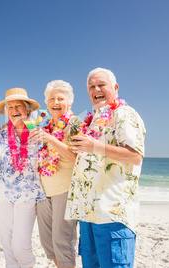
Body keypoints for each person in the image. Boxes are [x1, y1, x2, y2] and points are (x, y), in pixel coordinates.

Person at [66, 68, 146, 268]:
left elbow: (135, 156)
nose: (96, 89)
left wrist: (94, 146)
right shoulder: (90, 120)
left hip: (112, 213)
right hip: (88, 213)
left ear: (115, 88)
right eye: (91, 86)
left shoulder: (124, 114)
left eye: (101, 84)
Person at [0, 88, 46, 268]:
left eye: (18, 106)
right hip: (1, 194)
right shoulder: (1, 136)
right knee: (8, 246)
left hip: (27, 194)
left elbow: (47, 160)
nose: (14, 110)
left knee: (20, 246)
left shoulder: (38, 134)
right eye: (10, 107)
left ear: (27, 110)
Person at [30, 80, 78, 268]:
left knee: (62, 242)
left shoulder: (74, 124)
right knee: (47, 243)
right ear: (47, 103)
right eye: (52, 99)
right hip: (44, 191)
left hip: (64, 190)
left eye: (60, 98)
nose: (56, 102)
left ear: (69, 102)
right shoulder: (46, 125)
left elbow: (76, 157)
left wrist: (51, 139)